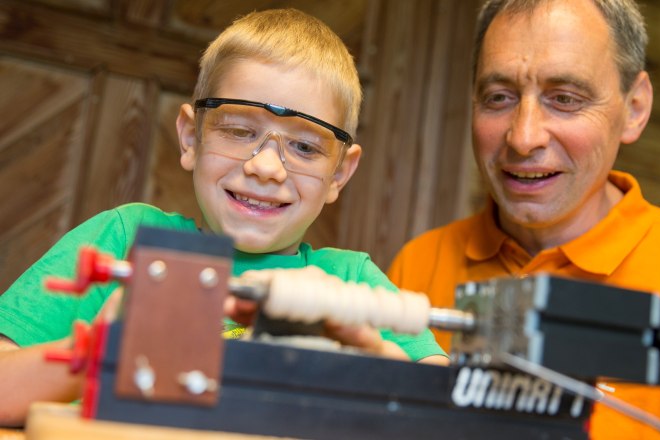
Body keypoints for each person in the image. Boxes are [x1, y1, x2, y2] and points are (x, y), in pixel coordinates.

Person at [0, 8, 446, 427]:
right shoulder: (124, 238)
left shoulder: (352, 284)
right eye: (238, 130)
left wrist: (375, 357)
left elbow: (444, 418)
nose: (267, 168)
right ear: (191, 137)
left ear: (339, 174)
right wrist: (95, 352)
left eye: (305, 147)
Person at [387, 0, 660, 438]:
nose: (523, 137)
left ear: (634, 108)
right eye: (499, 97)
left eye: (565, 99)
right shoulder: (416, 265)